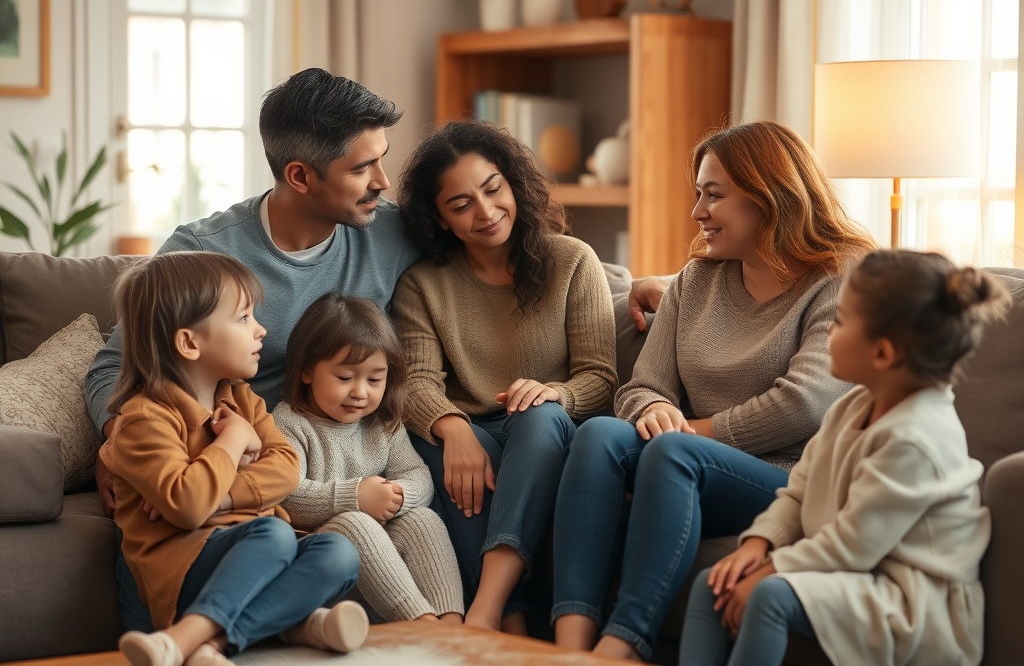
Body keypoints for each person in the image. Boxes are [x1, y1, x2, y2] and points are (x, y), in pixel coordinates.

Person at [85, 68, 422, 631]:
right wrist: (124, 440)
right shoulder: (204, 254)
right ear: (299, 175)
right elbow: (111, 368)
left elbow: (499, 238)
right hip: (221, 464)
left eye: (382, 159)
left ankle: (218, 635)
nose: (384, 182)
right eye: (362, 167)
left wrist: (626, 284)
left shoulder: (390, 231)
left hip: (302, 459)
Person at [551, 120, 877, 661]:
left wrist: (685, 433)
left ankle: (624, 643)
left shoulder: (840, 277)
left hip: (788, 480)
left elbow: (805, 401)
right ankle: (569, 643)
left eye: (714, 195)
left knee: (674, 451)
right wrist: (653, 407)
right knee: (600, 434)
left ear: (768, 195)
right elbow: (641, 385)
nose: (699, 211)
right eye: (698, 194)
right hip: (682, 463)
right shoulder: (696, 281)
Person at [679, 250, 1009, 666]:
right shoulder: (851, 407)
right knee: (715, 583)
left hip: (912, 601)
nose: (827, 329)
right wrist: (757, 546)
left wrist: (770, 568)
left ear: (883, 354)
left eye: (840, 321)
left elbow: (852, 545)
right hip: (857, 575)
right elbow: (797, 493)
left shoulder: (917, 437)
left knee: (768, 594)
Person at [391, 120, 618, 633]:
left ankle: (488, 608)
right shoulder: (423, 286)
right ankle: (514, 628)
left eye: (493, 189)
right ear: (440, 219)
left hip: (547, 432)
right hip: (470, 430)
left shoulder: (572, 261)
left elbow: (600, 378)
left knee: (538, 417)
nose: (486, 212)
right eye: (461, 204)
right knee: (448, 453)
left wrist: (556, 392)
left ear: (514, 184)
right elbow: (416, 384)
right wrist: (451, 428)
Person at [103, 252, 369, 666]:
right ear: (190, 343)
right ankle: (182, 636)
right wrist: (232, 443)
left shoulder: (242, 398)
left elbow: (287, 466)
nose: (261, 330)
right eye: (244, 319)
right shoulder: (143, 419)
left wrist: (222, 498)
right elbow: (189, 508)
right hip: (180, 571)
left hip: (253, 555)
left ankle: (212, 644)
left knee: (340, 553)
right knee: (274, 534)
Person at [273, 293, 465, 624]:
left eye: (374, 379)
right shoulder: (289, 423)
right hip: (327, 566)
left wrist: (397, 495)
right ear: (306, 372)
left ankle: (451, 623)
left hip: (383, 574)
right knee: (356, 521)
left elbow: (417, 475)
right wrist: (356, 497)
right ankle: (422, 626)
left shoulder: (381, 422)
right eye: (345, 378)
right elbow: (286, 495)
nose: (360, 392)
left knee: (422, 519)